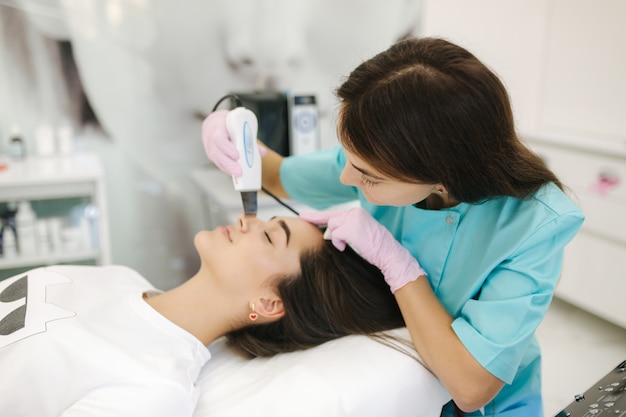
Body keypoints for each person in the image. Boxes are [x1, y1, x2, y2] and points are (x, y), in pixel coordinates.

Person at [201, 37, 585, 416]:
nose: (347, 178)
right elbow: (278, 175)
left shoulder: (535, 224)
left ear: (442, 176)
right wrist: (231, 136)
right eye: (347, 158)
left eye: (367, 177)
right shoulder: (378, 154)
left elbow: (472, 388)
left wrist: (395, 263)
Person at [0, 215, 405, 417]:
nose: (248, 221)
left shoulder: (152, 388)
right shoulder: (119, 278)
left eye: (268, 235)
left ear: (269, 304)